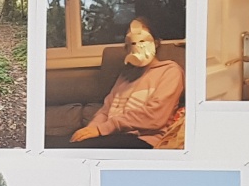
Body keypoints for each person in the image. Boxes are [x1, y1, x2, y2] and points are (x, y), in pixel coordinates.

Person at [67, 17, 185, 149]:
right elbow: (105, 111)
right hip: (111, 136)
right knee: (67, 145)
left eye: (142, 40)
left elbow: (155, 116)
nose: (136, 45)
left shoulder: (170, 71)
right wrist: (90, 130)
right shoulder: (125, 75)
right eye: (131, 41)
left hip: (142, 139)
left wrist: (103, 129)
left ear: (156, 42)